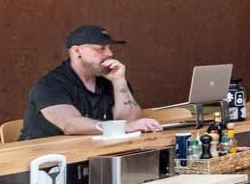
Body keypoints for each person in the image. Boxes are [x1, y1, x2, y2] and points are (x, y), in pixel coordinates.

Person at [20, 26, 164, 139]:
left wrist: (119, 82)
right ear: (77, 51)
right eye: (101, 48)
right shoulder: (50, 84)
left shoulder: (109, 79)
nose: (109, 54)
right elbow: (70, 124)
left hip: (90, 154)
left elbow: (130, 122)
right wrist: (122, 128)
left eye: (109, 48)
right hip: (43, 161)